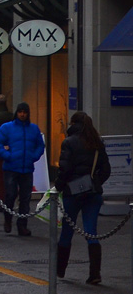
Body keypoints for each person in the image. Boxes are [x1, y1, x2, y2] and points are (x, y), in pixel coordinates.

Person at [55, 111, 111, 284]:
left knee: (67, 230)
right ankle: (95, 274)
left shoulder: (69, 142)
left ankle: (60, 270)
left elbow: (65, 168)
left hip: (73, 192)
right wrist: (95, 182)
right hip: (93, 193)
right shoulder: (97, 142)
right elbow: (106, 169)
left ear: (73, 124)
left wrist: (58, 186)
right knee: (91, 232)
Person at [0, 102, 45, 236]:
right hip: (11, 166)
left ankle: (22, 225)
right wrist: (7, 156)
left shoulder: (33, 129)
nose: (22, 114)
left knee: (25, 198)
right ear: (17, 112)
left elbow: (40, 145)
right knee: (10, 195)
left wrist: (33, 157)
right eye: (20, 112)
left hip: (26, 168)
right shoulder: (7, 127)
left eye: (25, 112)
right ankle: (8, 219)